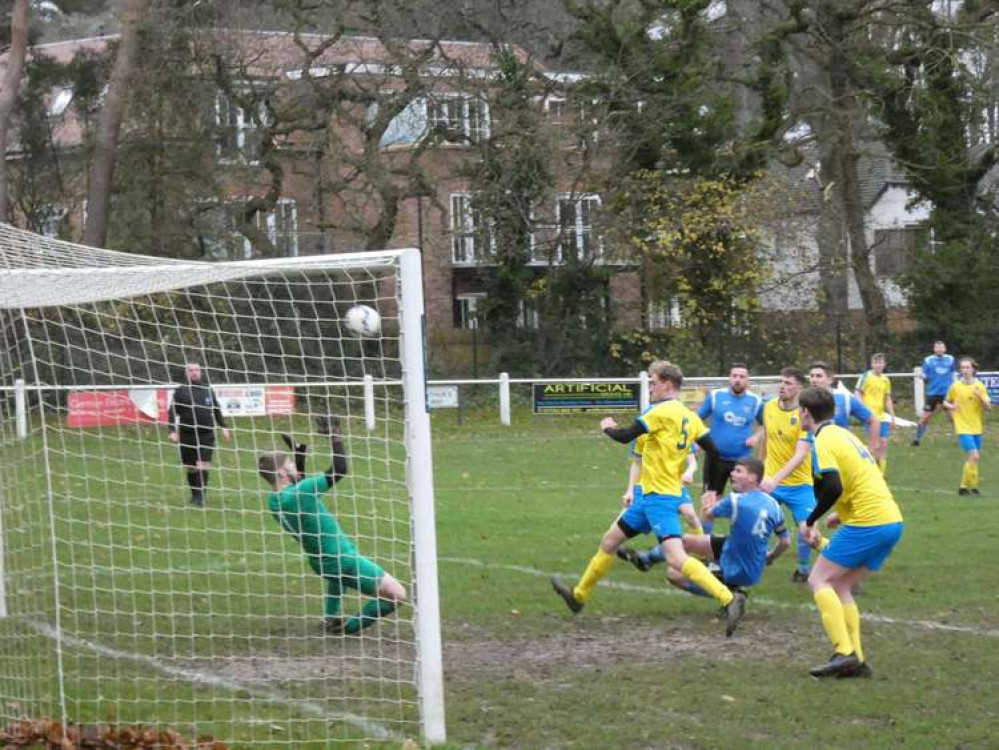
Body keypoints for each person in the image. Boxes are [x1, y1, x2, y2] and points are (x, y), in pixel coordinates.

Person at [550, 360, 748, 637]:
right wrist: (712, 488)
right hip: (646, 496)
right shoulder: (689, 416)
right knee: (609, 542)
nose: (650, 387)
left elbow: (624, 436)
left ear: (667, 383)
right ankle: (578, 596)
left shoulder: (660, 411)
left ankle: (729, 598)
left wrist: (607, 426)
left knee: (677, 559)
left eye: (653, 382)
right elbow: (714, 451)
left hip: (660, 498)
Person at [257, 415, 406, 634]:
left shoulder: (275, 500)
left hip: (321, 561)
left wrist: (298, 456)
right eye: (288, 463)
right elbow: (339, 468)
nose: (292, 467)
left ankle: (330, 617)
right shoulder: (299, 494)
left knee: (338, 578)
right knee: (397, 595)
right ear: (281, 473)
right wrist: (335, 435)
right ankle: (349, 627)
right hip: (342, 558)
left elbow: (299, 485)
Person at [798, 387, 904, 678]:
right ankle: (857, 659)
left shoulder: (821, 440)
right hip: (891, 520)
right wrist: (838, 514)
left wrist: (811, 520)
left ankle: (843, 652)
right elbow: (856, 479)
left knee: (818, 579)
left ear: (806, 412)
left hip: (869, 522)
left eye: (800, 409)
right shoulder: (845, 434)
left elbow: (833, 486)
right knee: (841, 586)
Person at [618, 458, 791, 594]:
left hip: (735, 565)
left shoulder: (736, 500)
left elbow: (707, 517)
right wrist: (770, 557)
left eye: (738, 471)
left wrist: (707, 505)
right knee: (684, 541)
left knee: (674, 575)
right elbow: (785, 542)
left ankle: (729, 596)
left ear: (752, 478)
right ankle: (647, 560)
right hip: (749, 560)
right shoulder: (773, 504)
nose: (732, 474)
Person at [758, 367, 817, 582]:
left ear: (800, 388)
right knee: (752, 520)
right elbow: (766, 437)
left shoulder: (805, 415)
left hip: (800, 484)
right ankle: (751, 561)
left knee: (807, 531)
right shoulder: (769, 407)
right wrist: (760, 470)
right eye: (781, 381)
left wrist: (775, 479)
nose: (782, 386)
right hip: (769, 480)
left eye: (788, 383)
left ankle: (804, 570)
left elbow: (800, 455)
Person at [696, 363, 764, 532]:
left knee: (744, 502)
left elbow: (765, 425)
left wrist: (756, 436)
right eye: (734, 376)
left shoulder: (755, 401)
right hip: (715, 458)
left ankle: (741, 540)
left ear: (748, 380)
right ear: (729, 378)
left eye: (742, 377)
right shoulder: (715, 396)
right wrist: (695, 443)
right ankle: (704, 542)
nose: (737, 380)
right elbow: (696, 420)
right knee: (710, 500)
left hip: (742, 461)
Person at [618, 442, 703, 571]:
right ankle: (613, 551)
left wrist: (689, 471)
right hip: (647, 488)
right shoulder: (643, 433)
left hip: (675, 487)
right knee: (614, 536)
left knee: (690, 515)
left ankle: (701, 556)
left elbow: (692, 460)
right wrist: (630, 490)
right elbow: (636, 463)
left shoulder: (681, 431)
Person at [167, 362, 231, 507]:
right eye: (191, 370)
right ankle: (195, 495)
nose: (194, 372)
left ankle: (201, 497)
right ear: (186, 373)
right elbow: (171, 412)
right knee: (191, 466)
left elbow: (216, 409)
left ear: (201, 372)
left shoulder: (207, 390)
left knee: (203, 464)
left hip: (206, 434)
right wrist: (172, 431)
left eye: (197, 370)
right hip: (187, 434)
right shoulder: (181, 391)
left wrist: (224, 427)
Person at [944, 357, 992, 496]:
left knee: (973, 458)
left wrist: (980, 397)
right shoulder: (956, 386)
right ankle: (968, 486)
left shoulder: (979, 386)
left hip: (976, 426)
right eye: (963, 368)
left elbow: (989, 407)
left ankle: (969, 486)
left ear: (973, 369)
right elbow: (946, 402)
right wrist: (952, 406)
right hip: (962, 427)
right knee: (974, 455)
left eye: (968, 367)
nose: (965, 370)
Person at [808, 361, 879, 456]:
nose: (814, 380)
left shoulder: (845, 398)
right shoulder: (804, 401)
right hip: (812, 455)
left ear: (830, 379)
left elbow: (873, 421)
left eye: (819, 376)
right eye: (812, 376)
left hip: (840, 455)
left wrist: (872, 448)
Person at [855, 353, 895, 475]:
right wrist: (863, 410)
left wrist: (892, 416)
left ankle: (881, 474)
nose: (878, 365)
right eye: (876, 362)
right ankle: (865, 467)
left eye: (880, 362)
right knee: (874, 445)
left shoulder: (885, 379)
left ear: (884, 364)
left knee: (883, 443)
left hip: (882, 417)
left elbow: (887, 398)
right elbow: (857, 392)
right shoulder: (866, 376)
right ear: (872, 364)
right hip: (870, 417)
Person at [913, 341, 956, 446]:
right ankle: (917, 439)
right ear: (934, 349)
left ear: (945, 349)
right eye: (937, 348)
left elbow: (953, 374)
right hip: (933, 393)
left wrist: (954, 388)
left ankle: (962, 438)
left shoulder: (950, 359)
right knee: (925, 417)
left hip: (947, 393)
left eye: (941, 347)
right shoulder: (928, 360)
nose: (940, 349)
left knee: (953, 417)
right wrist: (922, 376)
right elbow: (925, 374)